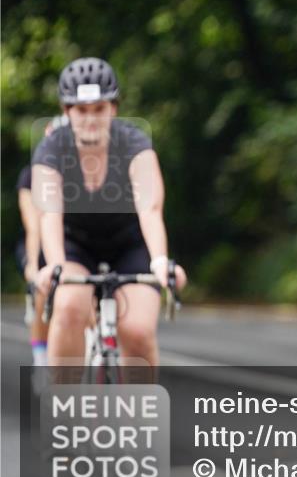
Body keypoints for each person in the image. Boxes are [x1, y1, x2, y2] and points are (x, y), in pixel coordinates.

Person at [32, 58, 187, 370]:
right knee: (70, 309)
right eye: (81, 110)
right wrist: (57, 265)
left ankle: (138, 415)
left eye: (99, 109)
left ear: (114, 109)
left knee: (138, 331)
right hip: (75, 245)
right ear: (67, 112)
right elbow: (49, 214)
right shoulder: (51, 148)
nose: (90, 119)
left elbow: (150, 207)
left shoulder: (134, 143)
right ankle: (65, 410)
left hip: (130, 244)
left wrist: (159, 261)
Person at [15, 116, 66, 370]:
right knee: (42, 290)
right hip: (39, 241)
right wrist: (33, 264)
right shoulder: (31, 175)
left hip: (71, 241)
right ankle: (41, 359)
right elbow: (33, 224)